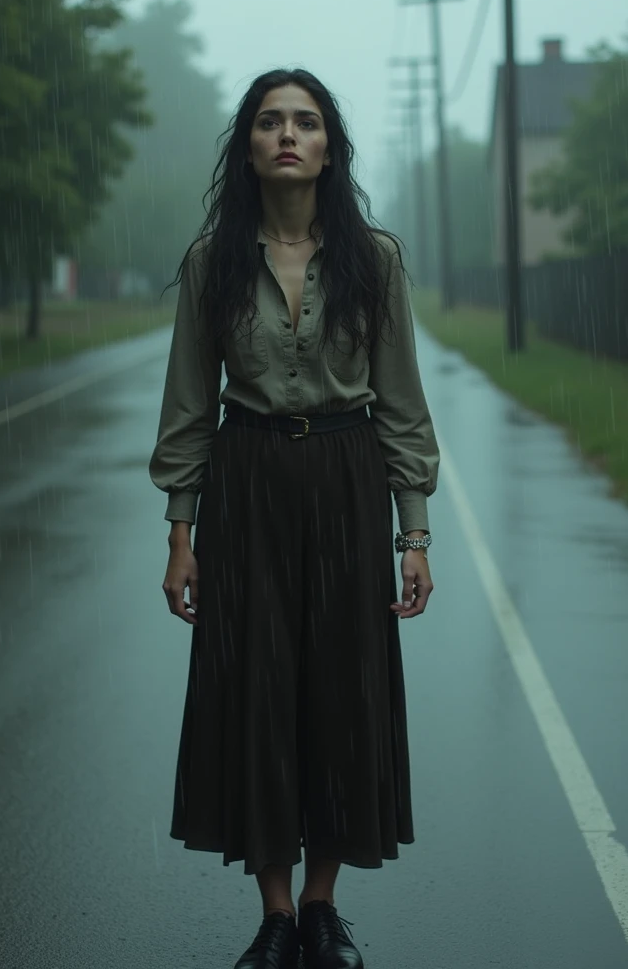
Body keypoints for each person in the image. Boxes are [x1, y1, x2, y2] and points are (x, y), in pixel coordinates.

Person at [149, 67, 440, 969]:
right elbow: (191, 406)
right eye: (270, 121)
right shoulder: (212, 262)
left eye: (306, 122)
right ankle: (275, 915)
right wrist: (182, 532)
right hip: (250, 482)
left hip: (349, 479)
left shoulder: (374, 258)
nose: (287, 134)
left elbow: (401, 404)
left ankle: (322, 906)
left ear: (327, 147)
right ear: (248, 146)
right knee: (258, 691)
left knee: (340, 692)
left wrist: (414, 532)